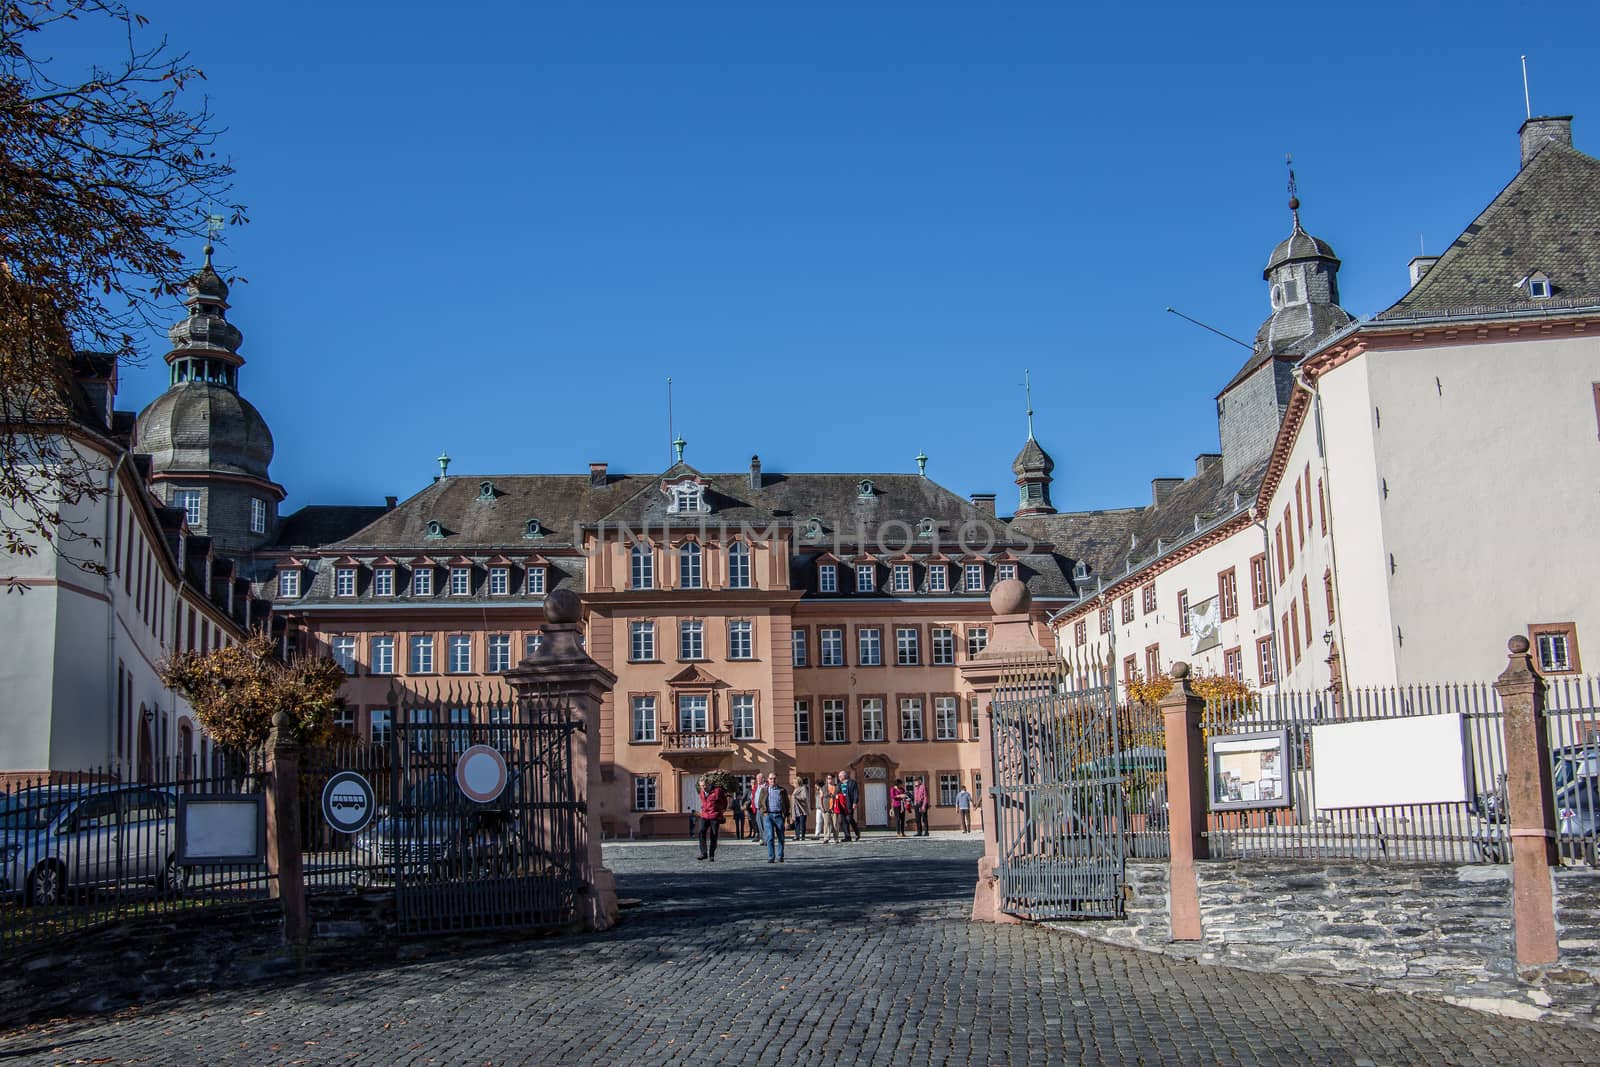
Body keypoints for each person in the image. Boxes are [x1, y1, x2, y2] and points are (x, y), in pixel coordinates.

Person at [756, 772, 787, 863]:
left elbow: (786, 804)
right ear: (768, 780)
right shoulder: (764, 790)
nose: (772, 780)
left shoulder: (782, 790)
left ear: (777, 779)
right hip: (768, 816)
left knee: (781, 837)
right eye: (771, 778)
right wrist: (764, 813)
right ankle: (771, 856)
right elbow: (760, 803)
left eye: (774, 778)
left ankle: (780, 856)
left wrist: (786, 815)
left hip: (778, 815)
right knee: (770, 837)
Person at [697, 777, 728, 861]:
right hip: (704, 815)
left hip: (714, 816)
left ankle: (711, 855)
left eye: (704, 785)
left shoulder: (717, 791)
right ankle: (704, 853)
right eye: (701, 786)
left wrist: (721, 811)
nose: (703, 787)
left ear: (708, 784)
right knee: (701, 832)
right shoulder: (701, 792)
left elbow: (724, 802)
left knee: (713, 835)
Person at [838, 770, 861, 841]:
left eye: (840, 776)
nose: (839, 777)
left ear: (844, 776)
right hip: (841, 805)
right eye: (839, 776)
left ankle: (857, 832)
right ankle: (847, 837)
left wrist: (855, 802)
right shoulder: (839, 784)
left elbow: (856, 793)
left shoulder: (852, 783)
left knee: (849, 818)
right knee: (843, 821)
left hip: (849, 804)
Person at [814, 775, 829, 840]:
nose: (815, 786)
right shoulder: (817, 791)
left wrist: (822, 807)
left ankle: (827, 835)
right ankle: (817, 835)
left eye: (816, 785)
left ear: (818, 785)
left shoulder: (823, 790)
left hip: (823, 808)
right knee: (818, 822)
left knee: (826, 822)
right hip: (818, 808)